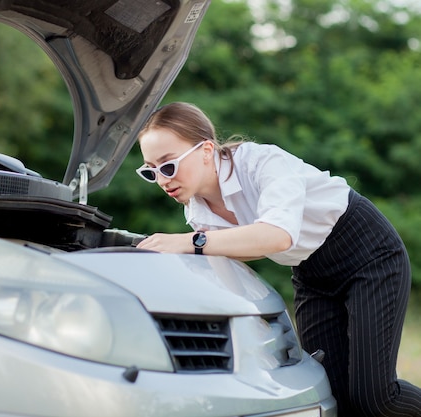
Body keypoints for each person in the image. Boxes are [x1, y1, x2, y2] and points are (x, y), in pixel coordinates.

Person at [135, 101, 421, 416]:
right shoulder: (197, 212)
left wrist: (191, 242)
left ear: (205, 150)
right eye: (151, 171)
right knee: (332, 397)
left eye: (168, 165)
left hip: (367, 253)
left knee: (375, 398)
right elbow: (241, 259)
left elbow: (277, 235)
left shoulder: (262, 162)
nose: (162, 180)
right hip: (312, 275)